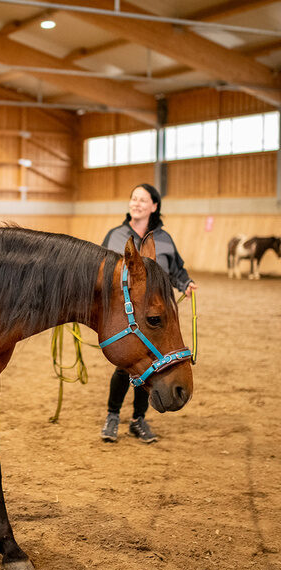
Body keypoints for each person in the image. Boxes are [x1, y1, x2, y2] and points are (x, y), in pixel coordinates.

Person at [99, 183, 197, 444]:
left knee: (153, 365)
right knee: (125, 366)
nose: (136, 204)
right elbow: (100, 272)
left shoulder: (163, 239)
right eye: (133, 199)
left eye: (142, 200)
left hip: (155, 313)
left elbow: (177, 269)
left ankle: (138, 420)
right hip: (127, 315)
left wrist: (186, 284)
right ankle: (112, 415)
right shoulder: (116, 235)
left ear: (154, 206)